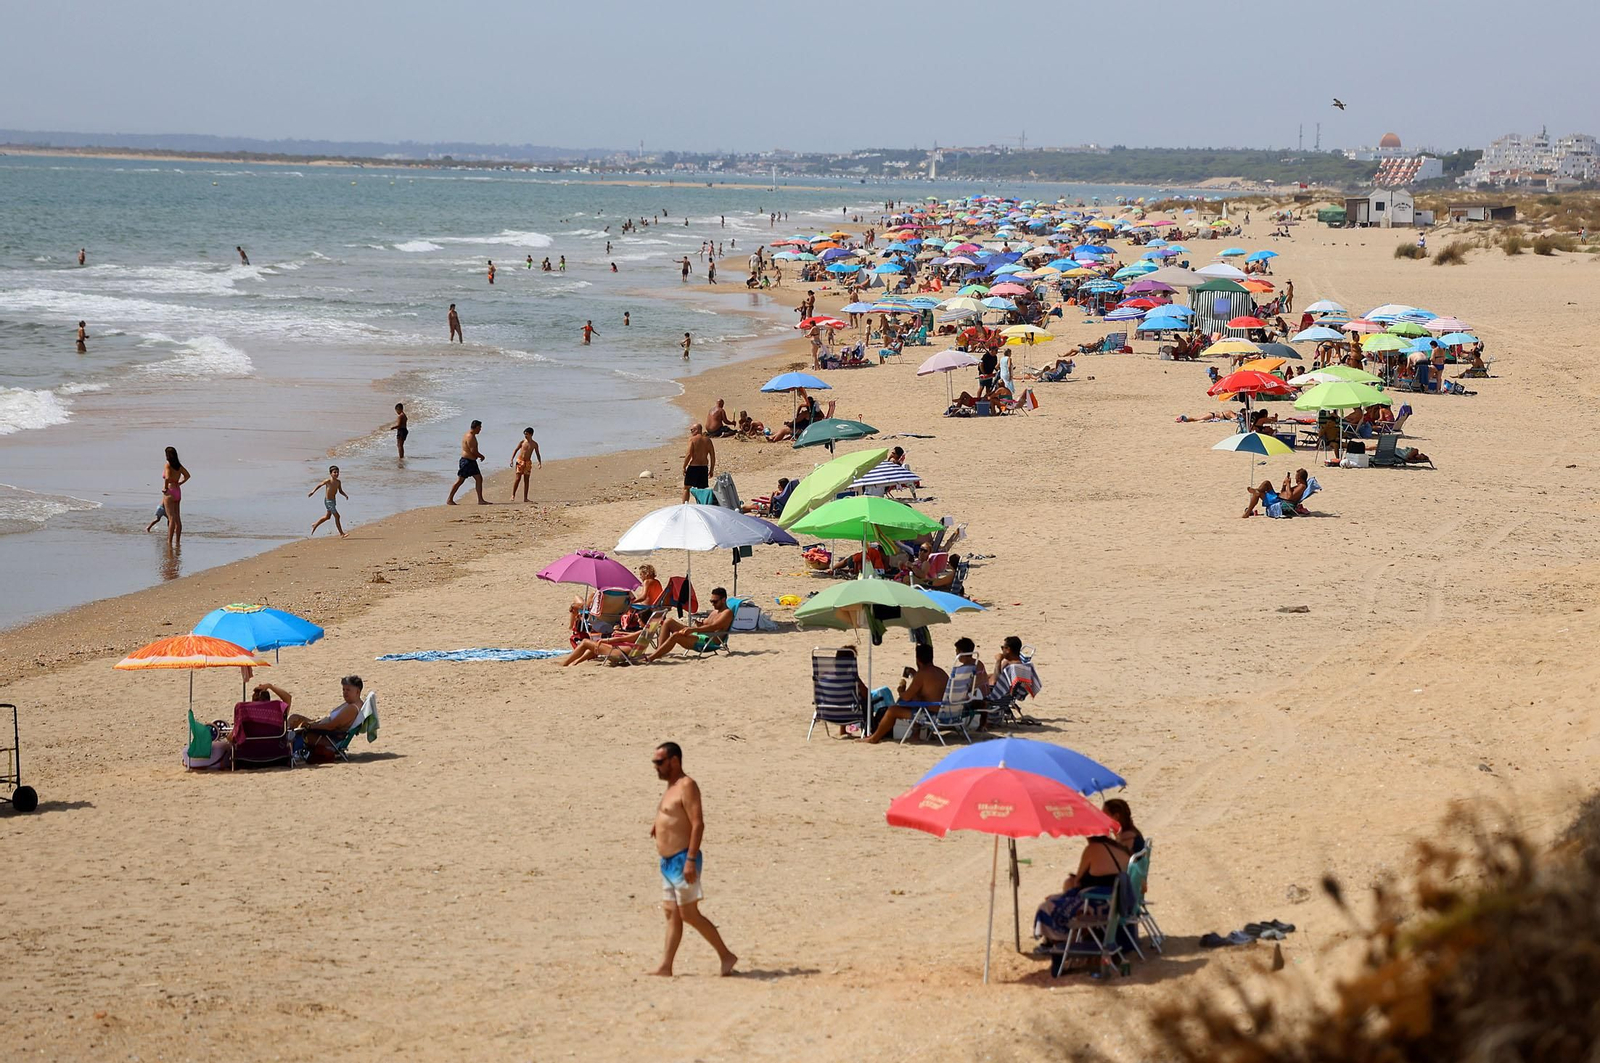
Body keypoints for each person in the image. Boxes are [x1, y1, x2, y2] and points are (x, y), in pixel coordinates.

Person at [649, 742, 738, 976]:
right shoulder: (671, 786)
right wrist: (657, 826)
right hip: (667, 862)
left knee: (688, 913)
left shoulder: (687, 785)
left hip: (682, 860)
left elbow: (698, 823)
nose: (655, 767)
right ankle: (666, 966)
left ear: (674, 761)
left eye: (659, 762)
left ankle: (726, 955)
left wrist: (690, 860)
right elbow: (673, 814)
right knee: (671, 912)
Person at [864, 643, 949, 743]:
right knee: (918, 700)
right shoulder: (941, 672)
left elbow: (906, 697)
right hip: (945, 714)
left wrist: (901, 690)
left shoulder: (922, 674)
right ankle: (915, 735)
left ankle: (874, 738)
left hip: (932, 716)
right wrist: (915, 674)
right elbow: (930, 691)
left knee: (892, 711)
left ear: (917, 659)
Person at [286, 675, 366, 763]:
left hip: (328, 738)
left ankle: (290, 751)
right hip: (325, 731)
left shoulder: (352, 708)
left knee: (296, 728)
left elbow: (331, 727)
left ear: (357, 691)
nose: (345, 692)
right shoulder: (353, 703)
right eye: (343, 689)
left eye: (348, 690)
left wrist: (310, 726)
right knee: (294, 718)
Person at [447, 420, 489, 505]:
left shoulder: (469, 435)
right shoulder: (470, 437)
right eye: (479, 428)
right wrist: (481, 456)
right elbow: (473, 450)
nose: (480, 430)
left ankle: (480, 500)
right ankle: (449, 499)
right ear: (476, 427)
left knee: (478, 478)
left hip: (471, 462)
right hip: (467, 462)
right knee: (460, 480)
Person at [159, 445, 190, 549]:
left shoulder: (168, 465)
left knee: (171, 517)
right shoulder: (178, 465)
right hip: (177, 490)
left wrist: (165, 487)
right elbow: (187, 475)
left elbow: (167, 477)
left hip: (170, 490)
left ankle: (169, 540)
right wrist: (180, 482)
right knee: (177, 518)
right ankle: (177, 541)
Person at [308, 465, 349, 537]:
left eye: (337, 472)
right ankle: (341, 533)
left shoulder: (338, 482)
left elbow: (340, 491)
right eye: (334, 472)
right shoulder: (328, 481)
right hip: (328, 501)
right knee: (337, 516)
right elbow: (319, 485)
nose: (336, 474)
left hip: (333, 501)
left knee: (327, 517)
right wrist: (313, 491)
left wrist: (345, 495)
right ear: (331, 473)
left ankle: (315, 524)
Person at [680, 423, 715, 502]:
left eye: (692, 430)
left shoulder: (692, 439)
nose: (691, 432)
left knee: (686, 487)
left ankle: (684, 505)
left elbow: (689, 454)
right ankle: (701, 505)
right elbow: (712, 456)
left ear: (697, 430)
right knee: (701, 490)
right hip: (704, 467)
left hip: (694, 466)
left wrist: (684, 466)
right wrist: (711, 469)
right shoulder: (708, 440)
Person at [510, 427, 541, 502]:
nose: (525, 436)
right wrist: (512, 459)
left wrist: (540, 462)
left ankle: (525, 498)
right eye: (525, 434)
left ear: (531, 434)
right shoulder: (522, 442)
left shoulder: (534, 444)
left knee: (526, 480)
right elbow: (516, 450)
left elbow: (537, 453)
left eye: (527, 434)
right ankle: (513, 495)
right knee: (518, 479)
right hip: (520, 461)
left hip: (527, 462)